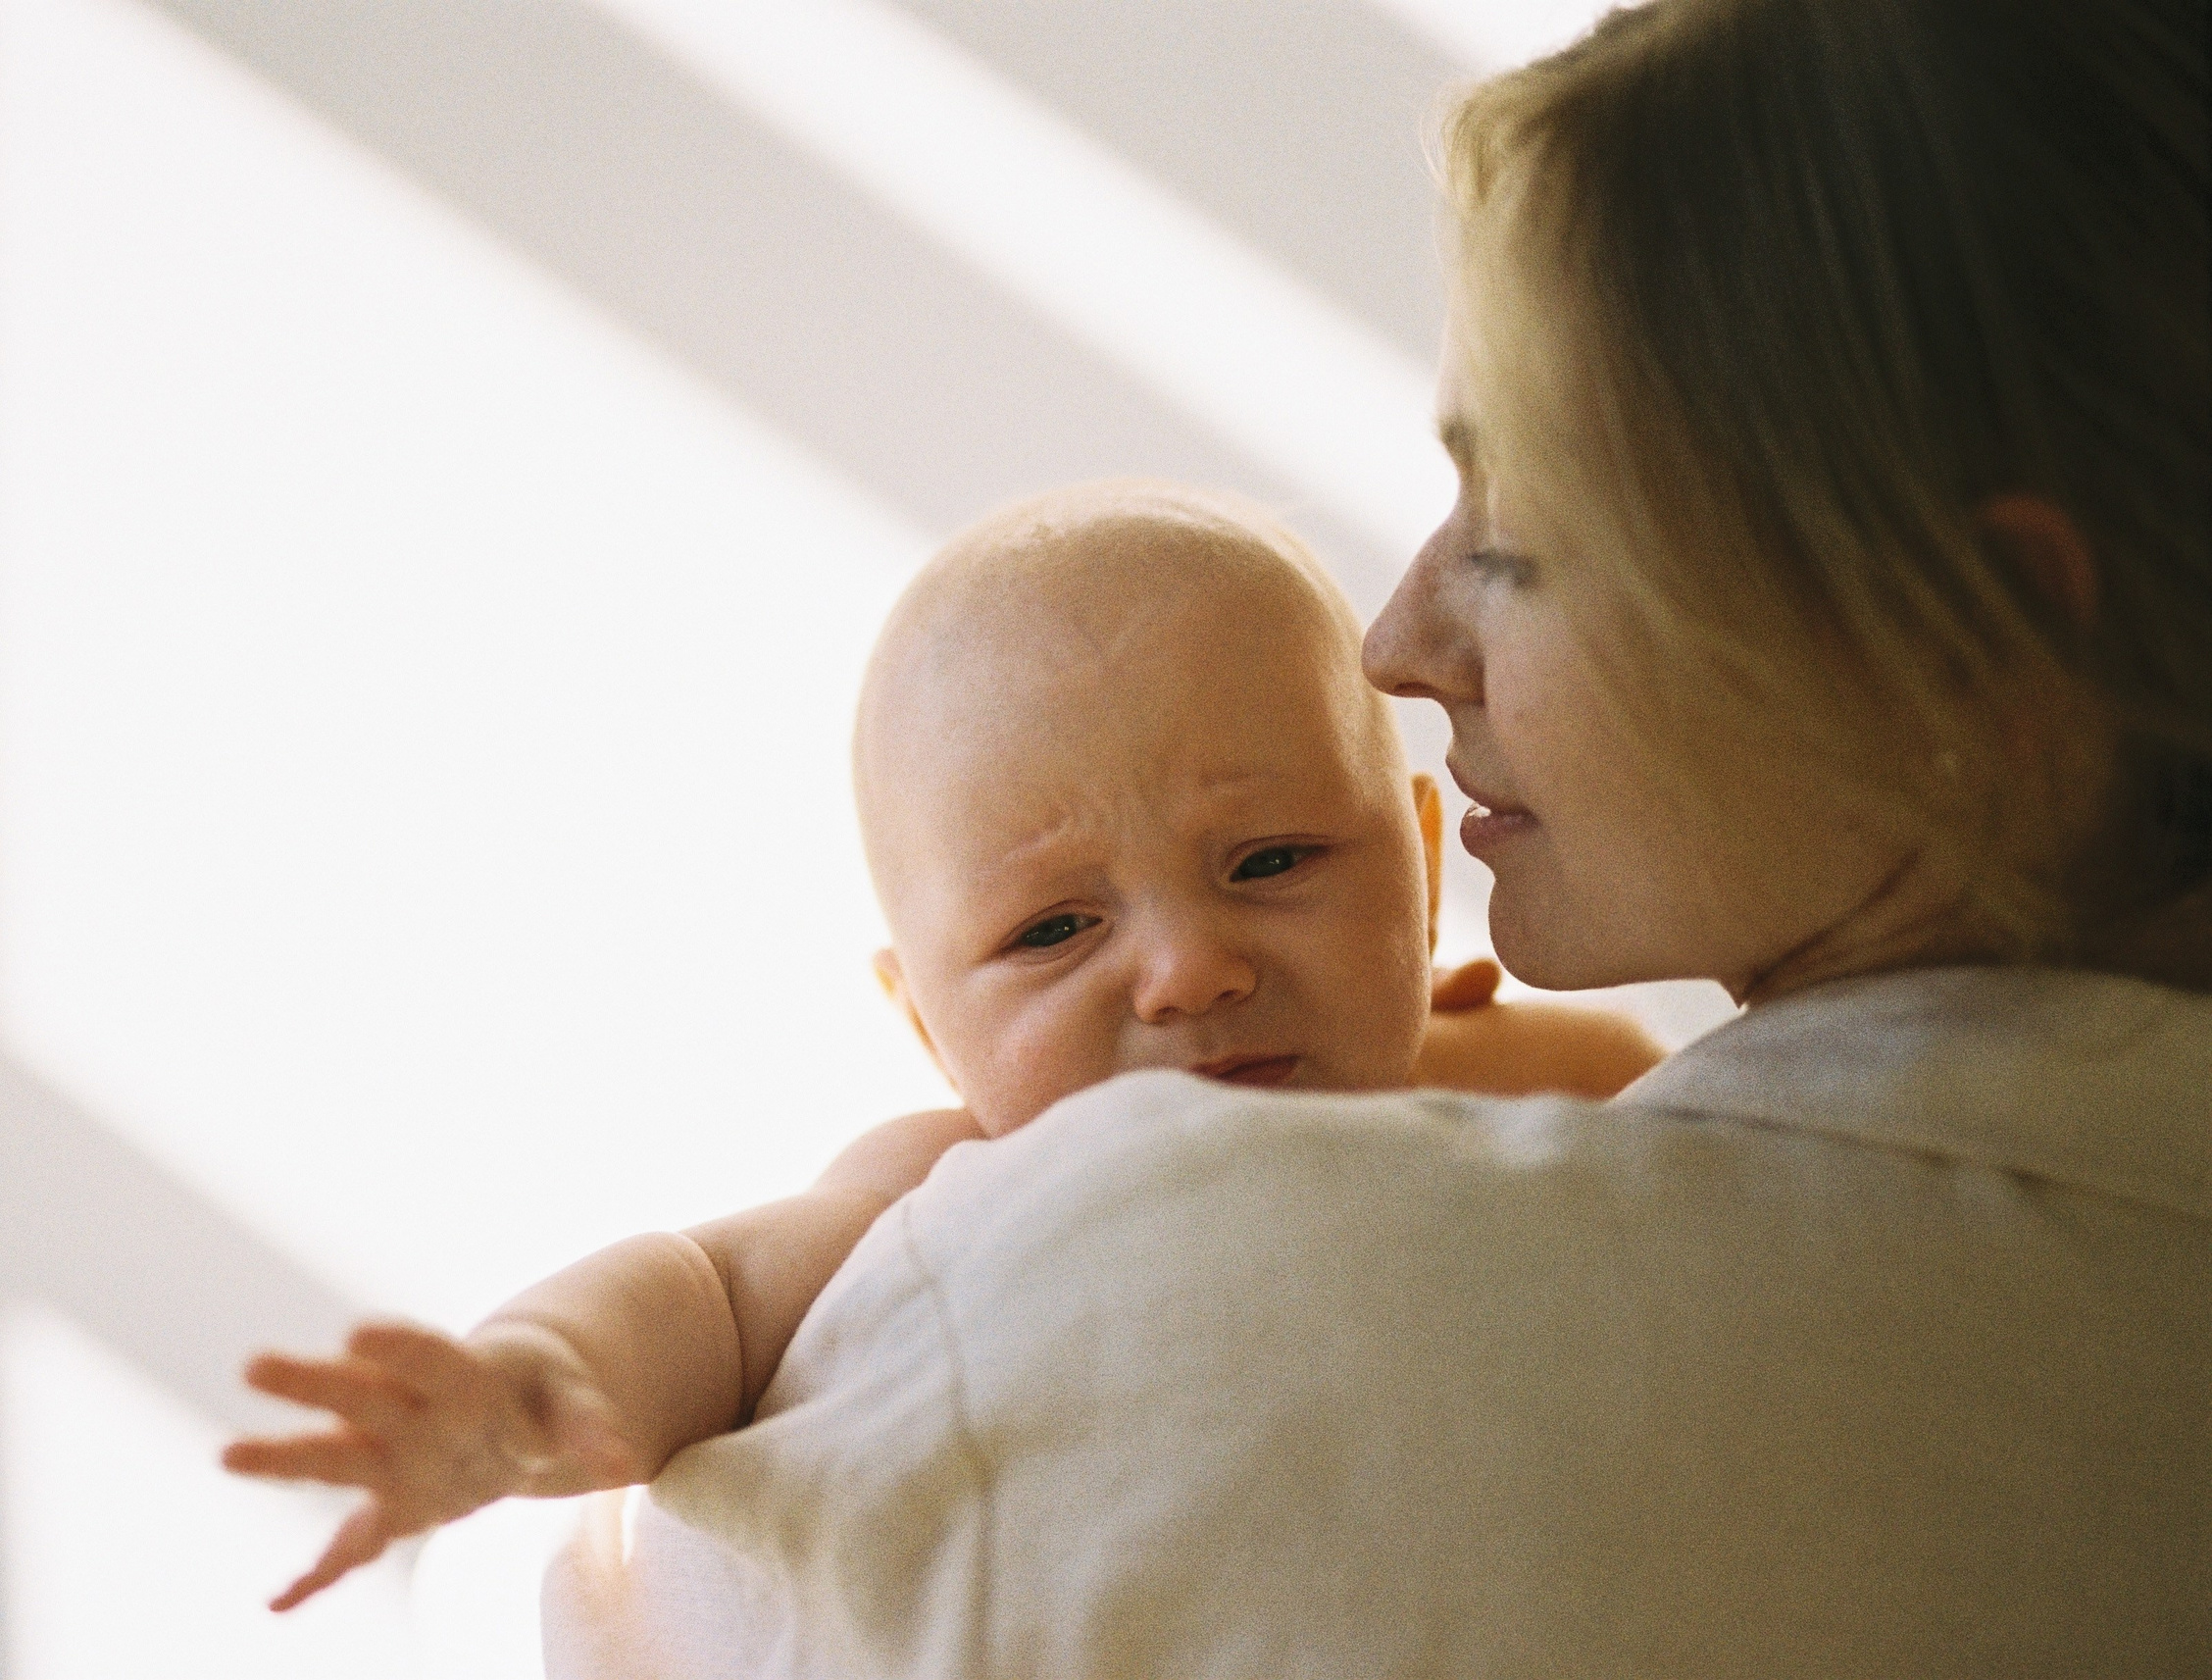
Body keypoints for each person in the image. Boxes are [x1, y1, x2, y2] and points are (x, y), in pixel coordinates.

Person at [535, 0, 2210, 1673]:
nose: (1399, 639)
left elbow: (599, 1611)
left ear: (1966, 638)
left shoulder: (1130, 1307)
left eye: (1524, 535)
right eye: (1052, 926)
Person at [220, 482, 1664, 1611]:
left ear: (1418, 872)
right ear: (925, 1022)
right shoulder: (943, 1181)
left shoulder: (1532, 1072)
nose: (1186, 966)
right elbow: (707, 1289)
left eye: (1272, 857)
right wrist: (531, 1383)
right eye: (1052, 930)